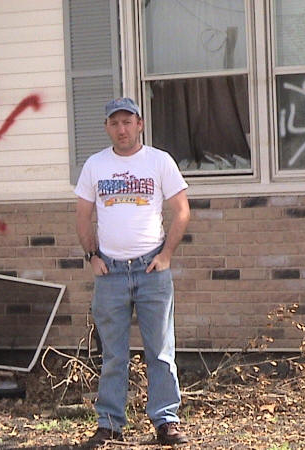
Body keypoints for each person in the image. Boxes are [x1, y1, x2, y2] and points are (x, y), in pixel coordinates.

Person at [75, 97, 191, 447]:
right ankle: (109, 424)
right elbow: (82, 215)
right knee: (114, 355)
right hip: (110, 271)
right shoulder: (95, 165)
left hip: (151, 268)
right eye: (114, 123)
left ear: (139, 124)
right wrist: (92, 256)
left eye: (127, 122)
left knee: (160, 351)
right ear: (107, 127)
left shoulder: (159, 161)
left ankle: (166, 422)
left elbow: (181, 210)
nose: (121, 129)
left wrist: (166, 255)